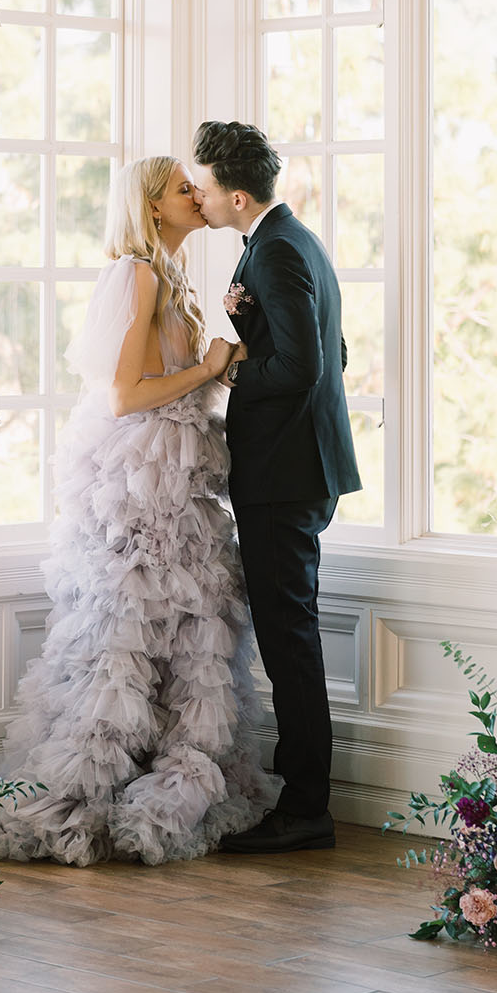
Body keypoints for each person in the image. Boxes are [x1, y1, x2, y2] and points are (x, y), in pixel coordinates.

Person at [0, 156, 275, 866]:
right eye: (180, 191)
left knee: (184, 631)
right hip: (140, 477)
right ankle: (86, 792)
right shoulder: (135, 272)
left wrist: (229, 362)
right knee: (125, 632)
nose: (195, 198)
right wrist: (208, 368)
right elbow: (124, 395)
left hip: (178, 476)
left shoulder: (172, 275)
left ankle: (162, 775)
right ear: (150, 205)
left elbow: (168, 376)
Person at [193, 121, 361, 854]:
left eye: (201, 189)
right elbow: (333, 349)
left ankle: (305, 810)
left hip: (286, 475)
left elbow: (304, 368)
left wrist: (230, 366)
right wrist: (249, 325)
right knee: (289, 635)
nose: (196, 200)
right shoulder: (286, 241)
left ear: (235, 194)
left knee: (288, 640)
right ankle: (305, 802)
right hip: (297, 467)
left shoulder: (280, 249)